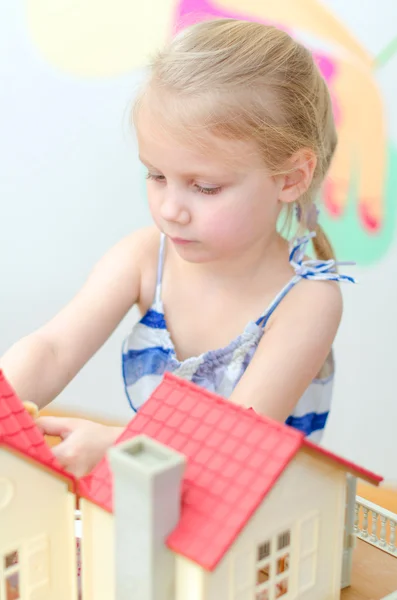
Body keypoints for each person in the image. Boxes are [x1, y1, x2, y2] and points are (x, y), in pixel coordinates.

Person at [0, 19, 355, 477]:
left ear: (290, 178)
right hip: (159, 479)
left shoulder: (308, 301)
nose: (170, 210)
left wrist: (116, 447)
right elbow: (52, 348)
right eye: (156, 175)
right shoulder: (145, 258)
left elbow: (238, 439)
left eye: (204, 187)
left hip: (255, 503)